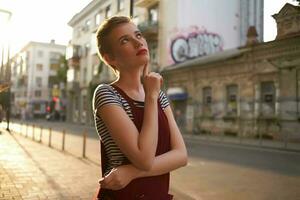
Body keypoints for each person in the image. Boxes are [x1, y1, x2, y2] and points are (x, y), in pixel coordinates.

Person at [93, 16, 187, 200]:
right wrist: (151, 97)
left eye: (138, 35)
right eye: (125, 40)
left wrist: (131, 172)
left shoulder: (159, 94)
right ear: (110, 58)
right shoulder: (107, 94)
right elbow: (143, 158)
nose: (138, 42)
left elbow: (181, 155)